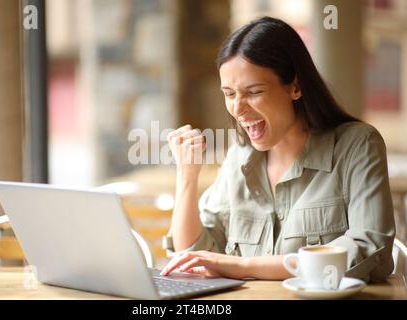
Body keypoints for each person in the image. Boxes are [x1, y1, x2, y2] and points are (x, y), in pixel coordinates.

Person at [160, 16, 395, 282]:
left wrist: (244, 266)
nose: (238, 109)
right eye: (229, 93)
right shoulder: (239, 157)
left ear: (295, 87)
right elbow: (195, 256)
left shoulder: (358, 146)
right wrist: (187, 177)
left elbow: (370, 249)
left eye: (254, 91)